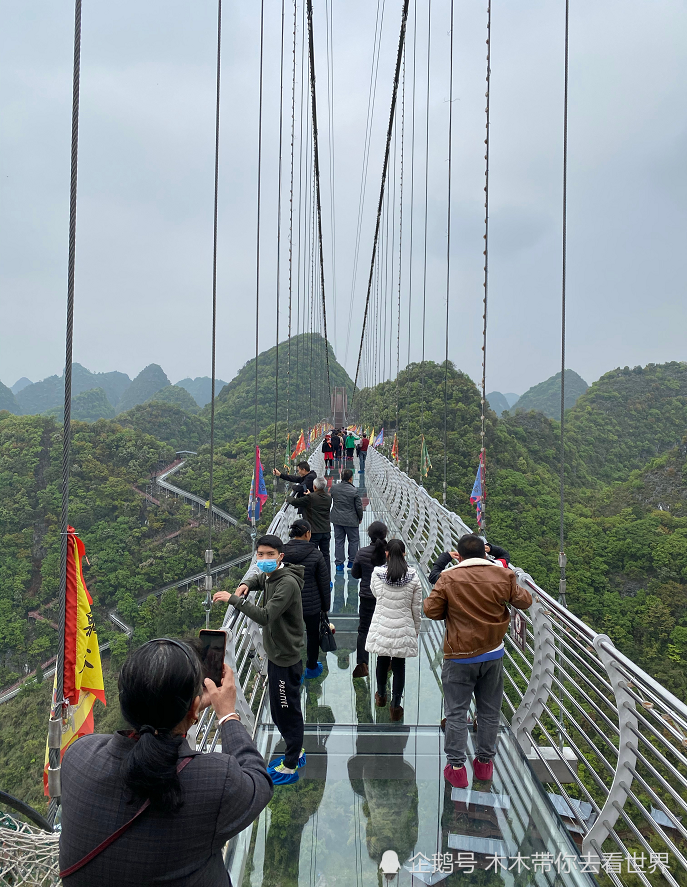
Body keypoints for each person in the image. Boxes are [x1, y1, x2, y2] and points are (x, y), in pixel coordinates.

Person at [59, 638, 272, 885]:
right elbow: (258, 780)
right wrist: (227, 714)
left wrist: (186, 713)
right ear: (194, 707)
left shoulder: (77, 756)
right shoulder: (216, 782)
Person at [423, 534, 532, 788]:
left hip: (459, 656)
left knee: (457, 712)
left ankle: (457, 768)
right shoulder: (502, 575)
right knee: (489, 711)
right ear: (485, 554)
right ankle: (484, 766)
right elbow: (524, 601)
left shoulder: (449, 578)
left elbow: (431, 610)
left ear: (458, 557)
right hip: (493, 654)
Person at [213, 535, 306, 786]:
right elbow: (261, 579)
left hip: (286, 657)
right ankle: (295, 750)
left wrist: (234, 599)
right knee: (278, 709)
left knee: (287, 711)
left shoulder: (287, 584)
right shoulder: (272, 576)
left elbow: (265, 616)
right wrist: (246, 584)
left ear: (280, 557)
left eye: (269, 555)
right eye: (260, 554)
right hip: (277, 654)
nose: (264, 559)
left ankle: (291, 764)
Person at [366, 539, 422, 721]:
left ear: (387, 553)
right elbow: (416, 607)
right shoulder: (414, 577)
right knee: (399, 666)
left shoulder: (377, 573)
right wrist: (415, 629)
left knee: (382, 660)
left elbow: (375, 593)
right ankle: (396, 707)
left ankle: (381, 696)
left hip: (382, 623)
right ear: (404, 554)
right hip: (404, 625)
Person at [282, 519, 331, 680]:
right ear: (308, 533)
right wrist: (325, 606)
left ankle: (292, 670)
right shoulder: (316, 554)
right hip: (312, 604)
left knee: (289, 635)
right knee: (312, 635)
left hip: (288, 603)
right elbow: (323, 583)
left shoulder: (281, 553)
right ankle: (311, 667)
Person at [350, 520, 388, 678]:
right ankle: (387, 661)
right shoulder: (390, 554)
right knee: (386, 629)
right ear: (385, 534)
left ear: (369, 535)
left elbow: (355, 574)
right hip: (386, 597)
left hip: (367, 596)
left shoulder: (362, 552)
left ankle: (362, 663)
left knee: (364, 629)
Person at [287, 476, 332, 563]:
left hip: (314, 532)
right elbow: (317, 501)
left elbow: (295, 502)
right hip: (326, 531)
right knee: (325, 555)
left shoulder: (310, 498)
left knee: (312, 555)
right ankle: (327, 574)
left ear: (314, 487)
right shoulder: (328, 498)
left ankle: (315, 574)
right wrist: (310, 495)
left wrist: (288, 498)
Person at [330, 468, 363, 572]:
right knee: (353, 541)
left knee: (339, 541)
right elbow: (358, 507)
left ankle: (339, 564)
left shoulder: (334, 488)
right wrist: (360, 517)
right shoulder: (354, 491)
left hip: (337, 519)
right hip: (351, 520)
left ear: (341, 477)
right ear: (351, 478)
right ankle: (352, 562)